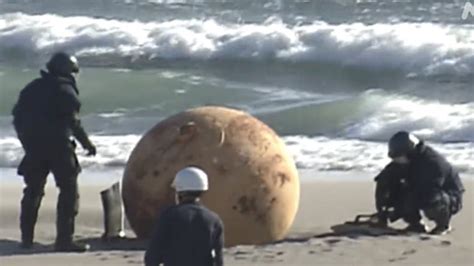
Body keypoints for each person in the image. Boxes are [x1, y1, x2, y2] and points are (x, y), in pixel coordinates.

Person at [12, 52, 96, 252]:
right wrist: (87, 144)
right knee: (68, 192)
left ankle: (26, 239)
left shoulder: (31, 88)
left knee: (32, 191)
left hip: (34, 148)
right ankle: (64, 240)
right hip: (59, 148)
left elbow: (17, 119)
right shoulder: (66, 91)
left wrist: (28, 144)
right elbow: (73, 122)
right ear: (67, 71)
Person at [374, 131, 465, 235]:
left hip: (449, 196)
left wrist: (396, 212)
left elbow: (425, 190)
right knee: (395, 188)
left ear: (409, 152)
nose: (396, 160)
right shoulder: (403, 161)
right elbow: (383, 181)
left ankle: (443, 225)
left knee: (431, 197)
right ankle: (416, 225)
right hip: (419, 190)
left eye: (398, 156)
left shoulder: (433, 163)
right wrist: (382, 209)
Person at [145, 167, 224, 266]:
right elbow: (218, 258)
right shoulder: (214, 219)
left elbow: (152, 255)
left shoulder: (169, 216)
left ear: (179, 191)